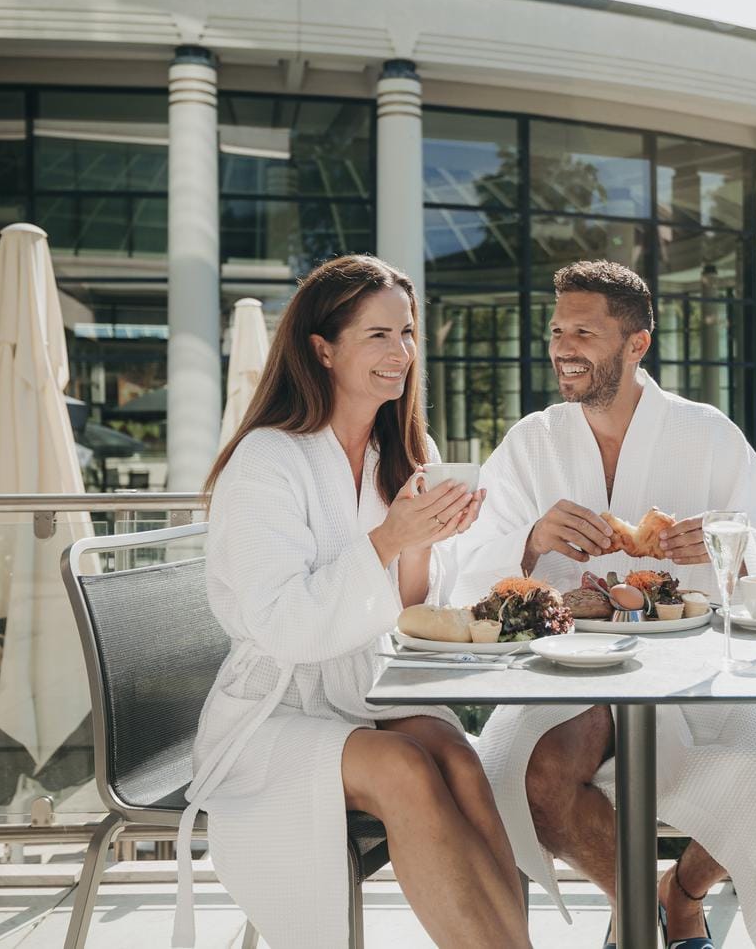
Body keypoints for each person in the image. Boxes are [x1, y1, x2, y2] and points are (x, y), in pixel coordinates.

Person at [454, 261, 756, 949]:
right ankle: (640, 905)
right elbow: (465, 569)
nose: (562, 346)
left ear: (637, 344)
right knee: (522, 772)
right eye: (556, 329)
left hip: (703, 673)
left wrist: (728, 544)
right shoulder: (533, 442)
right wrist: (530, 538)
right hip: (571, 674)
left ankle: (684, 892)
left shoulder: (707, 433)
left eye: (583, 330)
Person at [174, 256, 527, 948]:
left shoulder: (402, 450)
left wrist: (424, 539)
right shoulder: (267, 461)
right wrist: (389, 537)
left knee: (457, 751)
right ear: (322, 348)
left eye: (408, 332)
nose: (401, 353)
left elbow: (410, 610)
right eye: (378, 335)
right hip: (273, 714)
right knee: (402, 767)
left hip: (360, 693)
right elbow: (281, 624)